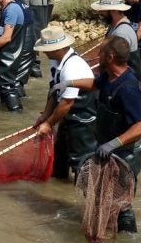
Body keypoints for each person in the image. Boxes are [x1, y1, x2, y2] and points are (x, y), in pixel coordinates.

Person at [92, 36, 141, 233]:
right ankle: (110, 230)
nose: (97, 55)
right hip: (110, 151)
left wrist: (113, 144)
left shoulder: (128, 88)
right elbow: (93, 84)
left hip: (126, 154)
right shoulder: (109, 76)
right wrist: (68, 82)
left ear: (110, 56)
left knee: (123, 203)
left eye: (100, 52)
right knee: (107, 196)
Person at [33, 25, 97, 180]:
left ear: (56, 49)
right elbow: (54, 91)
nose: (43, 52)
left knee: (81, 166)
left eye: (45, 49)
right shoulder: (56, 61)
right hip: (67, 119)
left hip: (83, 121)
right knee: (59, 162)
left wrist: (48, 125)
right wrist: (46, 115)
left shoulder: (72, 66)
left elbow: (67, 103)